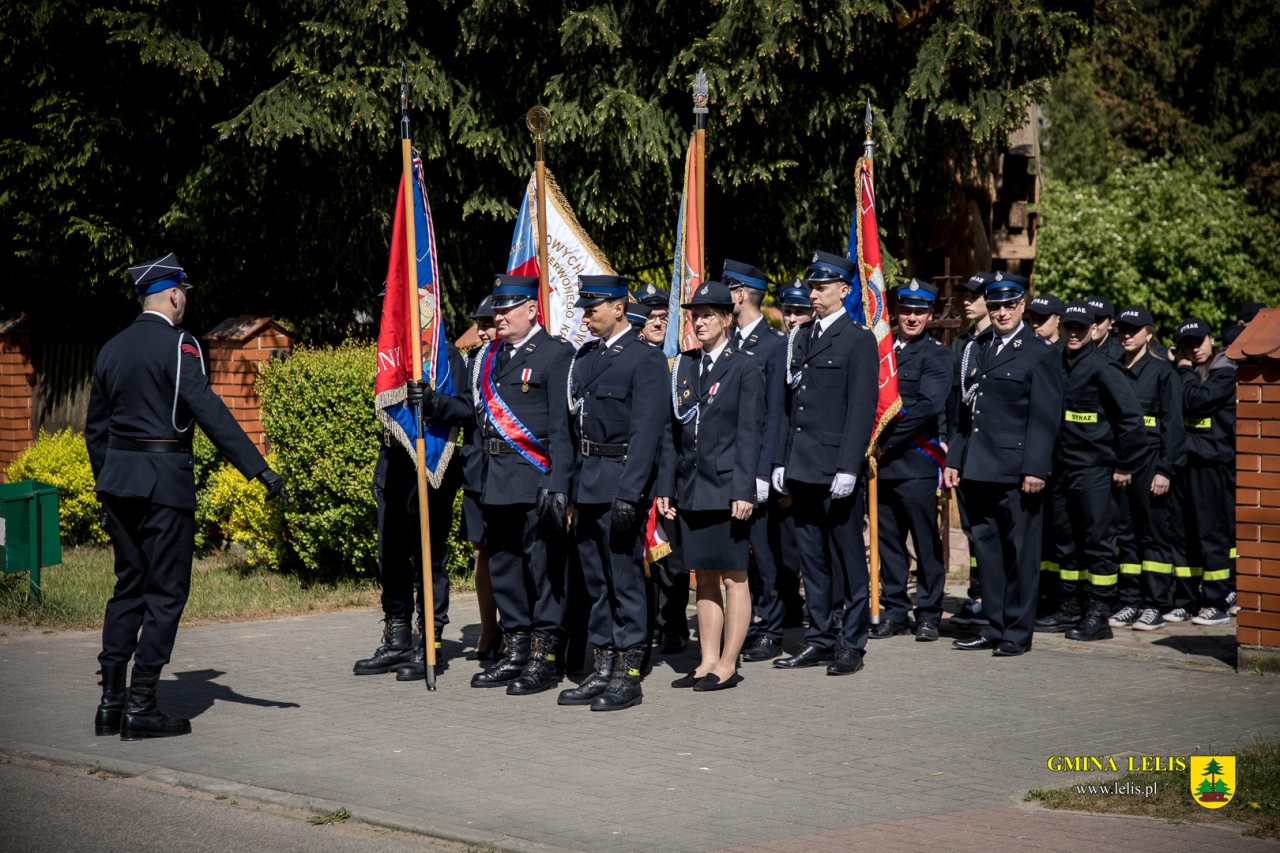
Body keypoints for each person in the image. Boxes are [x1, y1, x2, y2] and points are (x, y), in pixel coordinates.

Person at [86, 254, 287, 740]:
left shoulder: (111, 348)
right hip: (165, 485)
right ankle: (142, 707)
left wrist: (110, 478)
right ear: (173, 294)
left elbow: (95, 429)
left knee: (127, 587)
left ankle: (110, 705)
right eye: (185, 294)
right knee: (166, 593)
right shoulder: (181, 346)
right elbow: (210, 413)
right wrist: (260, 470)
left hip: (119, 484)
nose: (185, 302)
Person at [560, 275, 669, 711]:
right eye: (585, 309)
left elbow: (648, 434)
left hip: (620, 484)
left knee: (625, 583)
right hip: (587, 483)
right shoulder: (585, 357)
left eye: (593, 308)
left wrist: (631, 493)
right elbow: (572, 429)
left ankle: (629, 673)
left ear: (619, 308)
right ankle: (602, 667)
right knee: (597, 584)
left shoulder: (644, 359)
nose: (586, 316)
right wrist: (566, 489)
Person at [465, 275, 576, 694]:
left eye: (508, 308)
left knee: (542, 569)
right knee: (504, 565)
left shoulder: (554, 354)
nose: (499, 315)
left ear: (532, 309)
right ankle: (515, 649)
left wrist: (559, 483)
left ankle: (544, 658)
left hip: (535, 478)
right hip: (495, 478)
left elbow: (562, 430)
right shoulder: (489, 356)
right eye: (497, 308)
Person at [771, 251, 878, 676]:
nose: (814, 294)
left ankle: (851, 641)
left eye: (822, 287)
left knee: (849, 559)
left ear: (844, 290)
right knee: (811, 559)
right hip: (802, 466)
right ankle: (819, 638)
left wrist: (850, 466)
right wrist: (780, 461)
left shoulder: (857, 339)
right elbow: (788, 405)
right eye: (811, 287)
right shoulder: (799, 337)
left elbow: (861, 408)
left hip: (836, 468)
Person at [944, 272, 1061, 657]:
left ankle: (1017, 632)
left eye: (1009, 305)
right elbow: (966, 413)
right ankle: (994, 625)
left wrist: (1034, 468)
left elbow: (1045, 418)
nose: (1001, 312)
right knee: (988, 554)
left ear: (1022, 306)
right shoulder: (977, 349)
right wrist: (954, 460)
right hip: (977, 469)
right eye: (994, 306)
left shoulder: (1039, 352)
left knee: (1021, 554)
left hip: (1016, 472)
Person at [658, 281, 764, 690]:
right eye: (694, 316)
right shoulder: (683, 366)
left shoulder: (745, 366)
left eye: (706, 316)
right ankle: (706, 661)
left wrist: (744, 490)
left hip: (727, 488)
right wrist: (667, 486)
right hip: (692, 488)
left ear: (725, 319)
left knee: (734, 576)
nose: (698, 322)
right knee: (702, 575)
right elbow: (672, 434)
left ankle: (728, 664)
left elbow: (750, 434)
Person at [1033, 301, 1146, 641]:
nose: (1073, 333)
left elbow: (1132, 421)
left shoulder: (1103, 367)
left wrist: (1125, 463)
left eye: (1081, 328)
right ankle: (1070, 607)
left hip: (1095, 470)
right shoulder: (1055, 363)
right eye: (1068, 326)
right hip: (1062, 469)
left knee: (1098, 544)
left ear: (1093, 330)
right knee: (1066, 543)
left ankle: (1099, 613)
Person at [358, 337, 469, 682]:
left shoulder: (444, 355)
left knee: (428, 556)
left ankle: (430, 641)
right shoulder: (393, 353)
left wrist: (434, 402)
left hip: (431, 463)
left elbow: (467, 409)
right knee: (389, 553)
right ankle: (399, 636)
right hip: (393, 459)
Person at [873, 280, 952, 641]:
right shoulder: (882, 351)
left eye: (920, 312)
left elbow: (927, 408)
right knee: (888, 541)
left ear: (930, 315)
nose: (912, 317)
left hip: (915, 462)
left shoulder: (936, 354)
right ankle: (894, 610)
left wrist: (882, 441)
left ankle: (930, 613)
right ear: (896, 313)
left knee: (925, 543)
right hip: (882, 466)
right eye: (906, 310)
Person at [721, 259, 791, 663]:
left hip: (757, 469)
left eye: (727, 290)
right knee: (739, 554)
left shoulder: (773, 345)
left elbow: (773, 417)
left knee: (765, 555)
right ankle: (747, 626)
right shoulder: (730, 342)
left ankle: (773, 627)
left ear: (741, 295)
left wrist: (764, 471)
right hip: (730, 467)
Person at [1110, 305, 1185, 631]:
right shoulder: (1112, 368)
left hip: (1151, 463)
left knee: (1153, 536)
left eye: (1134, 330)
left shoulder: (1162, 372)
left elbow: (1173, 425)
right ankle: (1130, 600)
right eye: (1123, 329)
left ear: (1149, 333)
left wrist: (1165, 469)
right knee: (1125, 536)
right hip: (1119, 466)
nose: (1127, 335)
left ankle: (1155, 603)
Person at [1172, 317, 1236, 626]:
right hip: (1185, 462)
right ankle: (1186, 600)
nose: (1196, 348)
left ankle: (1218, 601)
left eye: (1200, 341)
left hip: (1212, 464)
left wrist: (1183, 369)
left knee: (1213, 536)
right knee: (1185, 536)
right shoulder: (1186, 371)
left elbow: (1196, 402)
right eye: (1188, 344)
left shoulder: (1225, 369)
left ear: (1211, 339)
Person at [947, 272, 993, 629]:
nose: (966, 300)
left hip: (993, 455)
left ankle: (995, 600)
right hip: (964, 451)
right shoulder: (963, 343)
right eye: (965, 294)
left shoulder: (997, 342)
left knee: (992, 531)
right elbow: (954, 401)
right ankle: (979, 594)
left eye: (974, 294)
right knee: (974, 531)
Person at [459, 296, 501, 660]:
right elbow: (460, 406)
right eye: (481, 324)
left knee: (512, 551)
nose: (485, 331)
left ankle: (522, 630)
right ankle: (490, 628)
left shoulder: (512, 361)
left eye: (490, 323)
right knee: (481, 551)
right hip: (476, 468)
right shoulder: (469, 362)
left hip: (511, 470)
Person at [1087, 296, 1124, 362]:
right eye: (1088, 319)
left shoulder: (1121, 355)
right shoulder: (1067, 349)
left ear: (1110, 324)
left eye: (1097, 320)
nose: (1093, 326)